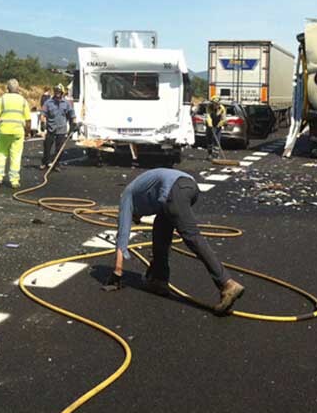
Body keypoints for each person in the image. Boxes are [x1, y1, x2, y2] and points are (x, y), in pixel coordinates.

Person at [106, 168, 245, 315]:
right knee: (160, 231)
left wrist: (118, 271)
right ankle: (159, 280)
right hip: (189, 186)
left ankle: (227, 283)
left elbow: (123, 234)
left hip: (174, 191)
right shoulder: (141, 191)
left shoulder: (126, 198)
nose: (137, 220)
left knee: (192, 237)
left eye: (135, 218)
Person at [0, 78, 31, 189]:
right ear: (18, 88)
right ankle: (14, 180)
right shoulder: (23, 101)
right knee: (16, 156)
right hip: (18, 132)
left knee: (1, 154)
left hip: (4, 131)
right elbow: (28, 120)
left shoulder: (2, 99)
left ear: (7, 88)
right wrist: (27, 133)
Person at [40, 84, 76, 171]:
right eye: (56, 91)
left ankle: (56, 164)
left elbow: (72, 115)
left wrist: (73, 124)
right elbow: (43, 114)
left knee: (59, 148)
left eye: (59, 92)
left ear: (62, 93)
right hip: (51, 128)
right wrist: (42, 123)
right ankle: (45, 162)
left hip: (61, 129)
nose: (57, 93)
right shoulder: (48, 103)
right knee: (47, 146)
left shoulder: (66, 103)